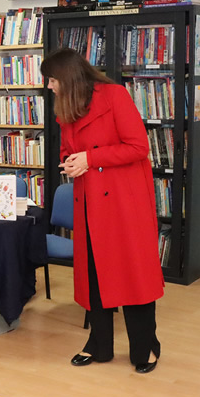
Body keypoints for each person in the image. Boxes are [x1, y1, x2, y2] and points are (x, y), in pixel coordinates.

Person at [41, 47, 164, 374]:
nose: (49, 86)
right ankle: (99, 344)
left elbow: (138, 147)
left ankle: (145, 346)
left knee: (133, 275)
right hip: (89, 201)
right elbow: (68, 148)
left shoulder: (114, 96)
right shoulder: (67, 104)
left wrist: (90, 159)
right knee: (94, 275)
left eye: (52, 79)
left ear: (67, 77)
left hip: (123, 201)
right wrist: (70, 161)